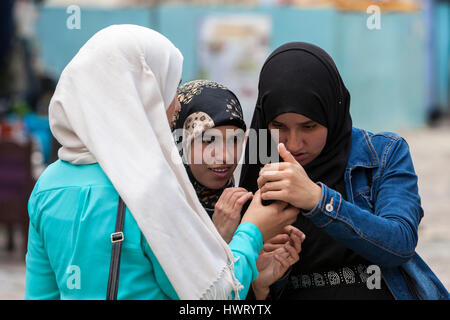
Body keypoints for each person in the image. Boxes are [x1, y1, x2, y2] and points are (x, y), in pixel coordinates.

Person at [24, 25, 301, 300]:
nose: (177, 105)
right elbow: (213, 295)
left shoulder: (48, 185)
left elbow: (40, 294)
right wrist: (252, 231)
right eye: (169, 88)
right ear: (138, 94)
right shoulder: (146, 183)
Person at [239, 42, 450, 300]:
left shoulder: (383, 154)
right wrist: (259, 283)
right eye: (279, 126)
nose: (293, 144)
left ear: (332, 113)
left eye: (309, 126)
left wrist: (318, 200)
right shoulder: (261, 161)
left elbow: (400, 243)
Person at [173, 79, 306, 299]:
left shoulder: (252, 210)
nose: (224, 156)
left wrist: (260, 287)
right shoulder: (158, 209)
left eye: (234, 141)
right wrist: (219, 238)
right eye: (208, 140)